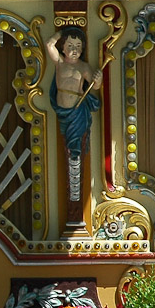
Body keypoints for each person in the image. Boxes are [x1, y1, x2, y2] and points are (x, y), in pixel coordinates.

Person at [45, 27, 104, 210]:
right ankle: (73, 178)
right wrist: (62, 32)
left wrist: (98, 78)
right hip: (63, 112)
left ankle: (76, 177)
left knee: (75, 144)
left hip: (77, 111)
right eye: (70, 45)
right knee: (67, 143)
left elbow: (95, 86)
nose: (74, 50)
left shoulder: (83, 67)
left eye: (78, 46)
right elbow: (49, 44)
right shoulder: (60, 63)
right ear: (63, 48)